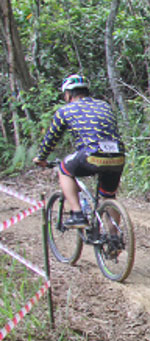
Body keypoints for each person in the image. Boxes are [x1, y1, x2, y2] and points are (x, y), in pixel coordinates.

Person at [33, 74, 126, 228]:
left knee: (64, 169)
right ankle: (114, 239)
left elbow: (51, 139)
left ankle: (77, 214)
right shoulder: (105, 105)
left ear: (68, 94)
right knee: (109, 196)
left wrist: (41, 158)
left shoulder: (65, 110)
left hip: (91, 155)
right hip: (117, 156)